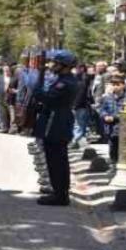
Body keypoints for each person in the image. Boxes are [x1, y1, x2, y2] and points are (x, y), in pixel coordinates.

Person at [33, 50, 78, 206]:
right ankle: (59, 191)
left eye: (56, 63)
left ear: (64, 66)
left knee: (56, 160)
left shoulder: (65, 83)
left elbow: (45, 98)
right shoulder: (63, 80)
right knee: (56, 159)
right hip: (57, 119)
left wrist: (37, 85)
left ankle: (60, 195)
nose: (52, 65)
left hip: (56, 122)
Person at [100, 75, 125, 163]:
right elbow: (102, 110)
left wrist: (114, 117)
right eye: (113, 84)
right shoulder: (107, 97)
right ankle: (113, 161)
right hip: (110, 127)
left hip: (121, 126)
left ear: (123, 85)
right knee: (112, 144)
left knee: (121, 145)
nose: (115, 86)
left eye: (117, 84)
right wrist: (105, 116)